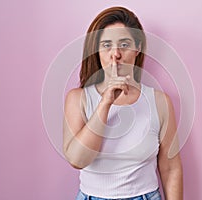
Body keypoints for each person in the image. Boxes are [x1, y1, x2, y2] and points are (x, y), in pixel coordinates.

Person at [63, 6, 183, 200]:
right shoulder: (78, 99)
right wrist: (106, 103)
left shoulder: (159, 102)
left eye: (124, 44)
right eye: (107, 45)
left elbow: (170, 168)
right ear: (97, 51)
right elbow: (77, 160)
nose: (115, 54)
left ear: (138, 49)